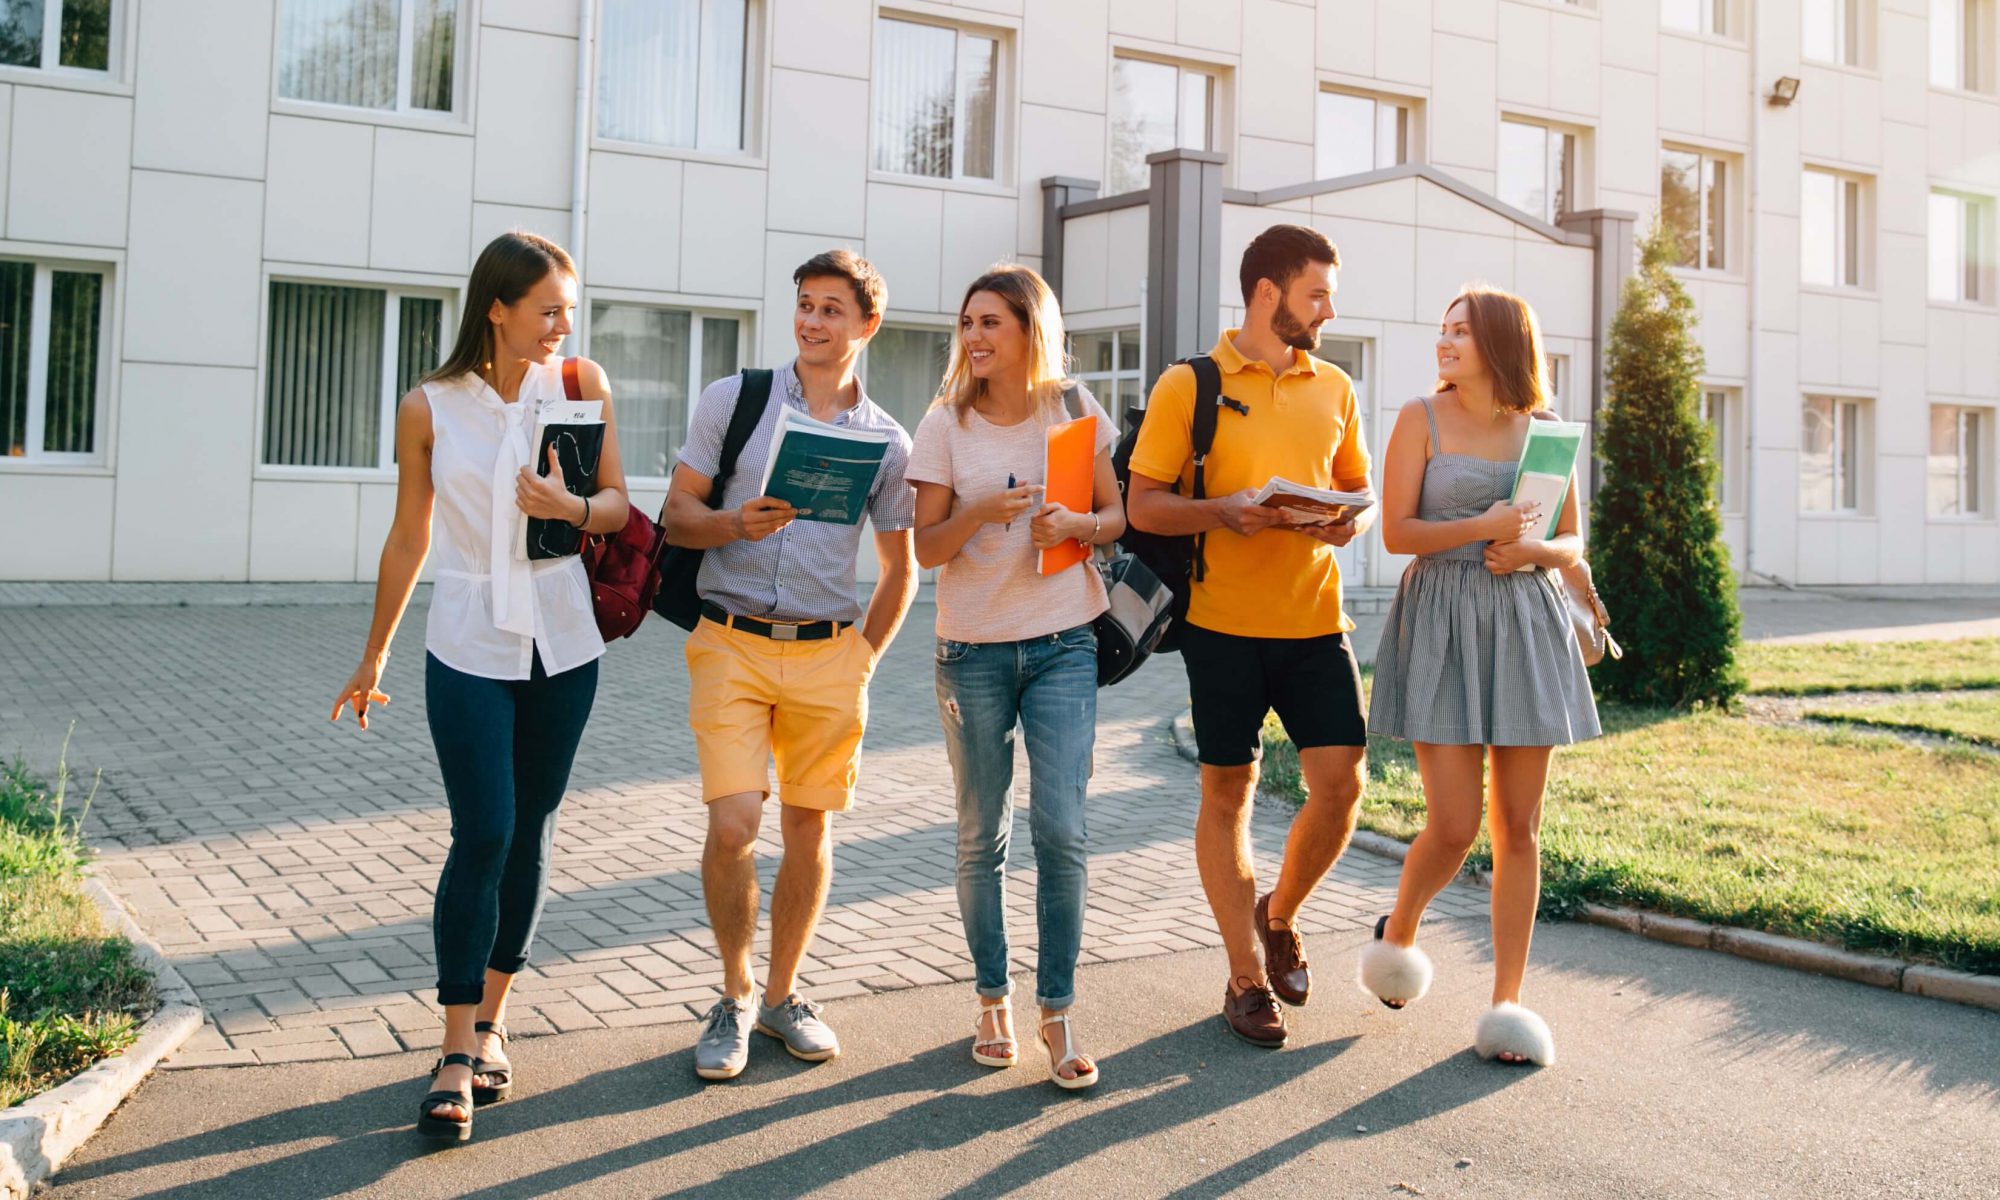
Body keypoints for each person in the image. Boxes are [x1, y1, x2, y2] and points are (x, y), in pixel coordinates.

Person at [329, 231, 628, 1142]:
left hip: (564, 638)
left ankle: (493, 1022)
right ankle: (453, 1047)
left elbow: (617, 503)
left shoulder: (582, 387)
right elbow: (408, 536)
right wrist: (374, 652)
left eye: (569, 311)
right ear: (496, 307)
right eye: (547, 309)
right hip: (465, 637)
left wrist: (569, 510)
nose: (561, 326)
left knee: (531, 831)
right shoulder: (428, 407)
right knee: (484, 830)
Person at [662, 249, 918, 1082]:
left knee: (810, 829)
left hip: (826, 655)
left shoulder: (886, 440)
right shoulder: (733, 401)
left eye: (831, 309)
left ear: (866, 325)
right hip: (729, 640)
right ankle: (734, 997)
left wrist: (863, 659)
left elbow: (903, 566)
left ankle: (782, 997)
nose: (812, 321)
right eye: (805, 305)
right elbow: (675, 516)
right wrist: (735, 525)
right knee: (734, 823)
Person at [1125, 224, 1376, 1048]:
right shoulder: (1187, 385)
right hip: (1220, 628)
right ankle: (1242, 975)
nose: (1329, 310)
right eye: (1317, 294)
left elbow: (1354, 486)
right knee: (1226, 795)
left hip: (1315, 621)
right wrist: (1222, 513)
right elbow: (1143, 505)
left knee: (1341, 787)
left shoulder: (1335, 386)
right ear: (1268, 292)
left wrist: (1342, 523)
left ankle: (1281, 915)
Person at [1359, 286, 1601, 1068]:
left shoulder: (1546, 434)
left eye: (1460, 332)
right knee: (1457, 823)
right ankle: (1399, 933)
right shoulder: (1417, 418)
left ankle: (1508, 1002)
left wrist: (1534, 552)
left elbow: (1572, 538)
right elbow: (1398, 532)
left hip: (1525, 625)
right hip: (1443, 620)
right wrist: (1486, 527)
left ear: (1500, 343)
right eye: (1442, 330)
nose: (1445, 342)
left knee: (1520, 829)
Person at [906, 265, 1126, 1090]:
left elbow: (1117, 516)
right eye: (967, 323)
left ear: (1030, 329)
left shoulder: (1072, 409)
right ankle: (992, 995)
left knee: (1062, 828)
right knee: (980, 834)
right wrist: (979, 515)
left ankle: (1058, 1009)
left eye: (990, 322)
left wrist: (1078, 524)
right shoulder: (944, 424)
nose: (974, 337)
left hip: (1064, 640)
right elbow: (924, 548)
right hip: (973, 650)